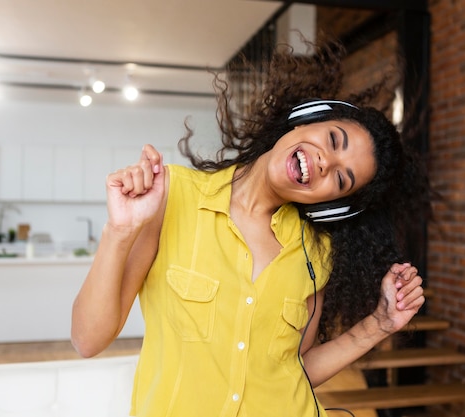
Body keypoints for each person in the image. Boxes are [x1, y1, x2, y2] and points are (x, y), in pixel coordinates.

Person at [71, 40, 432, 417]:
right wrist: (120, 230)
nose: (326, 162)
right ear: (306, 117)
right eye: (333, 140)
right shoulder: (172, 195)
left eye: (342, 179)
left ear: (331, 203)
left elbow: (297, 369)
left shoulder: (315, 254)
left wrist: (379, 324)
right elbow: (87, 340)